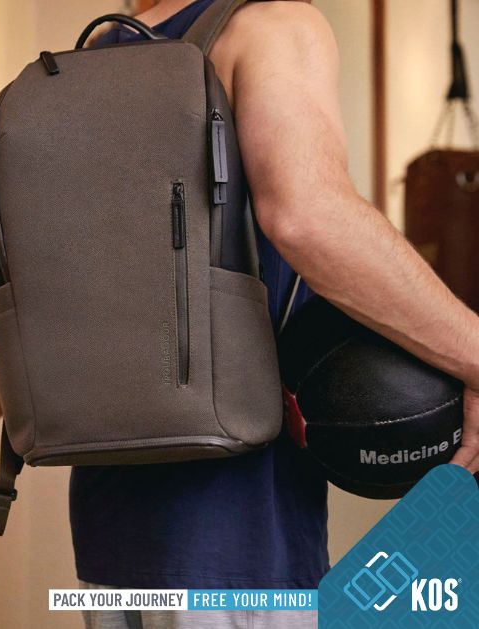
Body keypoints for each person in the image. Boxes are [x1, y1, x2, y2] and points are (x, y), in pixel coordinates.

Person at [72, 1, 479, 628]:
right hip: (238, 550)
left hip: (111, 546)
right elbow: (308, 217)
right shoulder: (273, 24)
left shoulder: (102, 53)